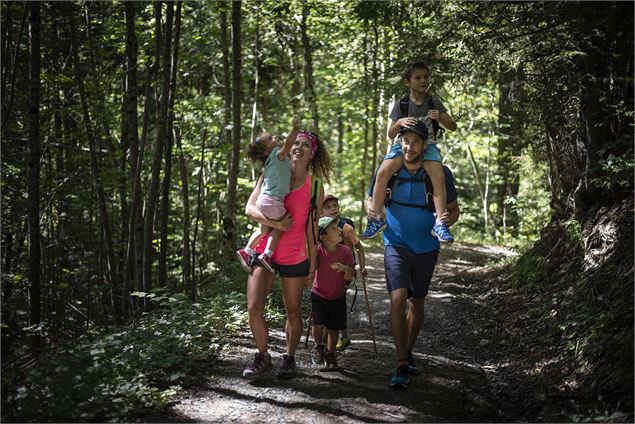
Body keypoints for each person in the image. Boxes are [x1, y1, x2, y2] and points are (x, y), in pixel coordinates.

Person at [373, 120, 460, 389]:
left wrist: (445, 221)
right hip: (395, 244)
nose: (409, 147)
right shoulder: (390, 171)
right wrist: (372, 212)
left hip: (426, 248)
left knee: (417, 303)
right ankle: (400, 363)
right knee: (397, 299)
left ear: (425, 145)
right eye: (405, 141)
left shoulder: (439, 173)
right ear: (400, 143)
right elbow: (372, 198)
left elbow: (454, 210)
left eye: (415, 142)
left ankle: (408, 351)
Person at [242, 129, 332, 380]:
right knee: (254, 306)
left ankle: (289, 359)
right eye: (297, 143)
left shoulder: (314, 185)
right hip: (264, 253)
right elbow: (250, 208)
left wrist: (313, 267)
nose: (298, 147)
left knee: (293, 310)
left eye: (305, 145)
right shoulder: (271, 170)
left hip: (295, 254)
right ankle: (262, 356)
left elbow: (313, 229)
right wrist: (279, 225)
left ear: (311, 153)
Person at [362, 61, 457, 243]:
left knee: (438, 175)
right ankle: (375, 218)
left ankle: (439, 222)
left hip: (428, 145)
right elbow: (390, 134)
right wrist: (398, 123)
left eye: (426, 77)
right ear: (408, 81)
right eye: (418, 77)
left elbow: (452, 126)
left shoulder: (433, 101)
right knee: (383, 171)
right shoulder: (402, 104)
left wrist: (441, 117)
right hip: (403, 146)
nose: (423, 81)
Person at [236, 117, 301, 273]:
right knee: (282, 225)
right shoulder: (277, 155)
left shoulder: (270, 163)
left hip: (264, 200)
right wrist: (295, 129)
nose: (275, 138)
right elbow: (288, 145)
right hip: (273, 201)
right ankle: (267, 255)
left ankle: (247, 250)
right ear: (267, 150)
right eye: (271, 139)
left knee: (264, 230)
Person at [321, 194, 368, 351]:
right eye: (328, 207)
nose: (333, 209)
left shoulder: (346, 228)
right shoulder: (319, 228)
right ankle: (342, 336)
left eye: (335, 205)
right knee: (331, 303)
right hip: (326, 271)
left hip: (345, 272)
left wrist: (362, 267)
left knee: (333, 302)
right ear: (320, 212)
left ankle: (331, 339)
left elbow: (359, 247)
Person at [310, 215, 355, 370]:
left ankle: (331, 354)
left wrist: (345, 268)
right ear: (323, 236)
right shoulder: (318, 251)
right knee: (318, 325)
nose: (340, 230)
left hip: (338, 295)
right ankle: (318, 347)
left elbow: (352, 272)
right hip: (318, 294)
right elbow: (311, 267)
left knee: (334, 329)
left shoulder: (345, 251)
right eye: (334, 228)